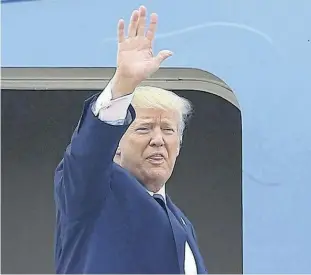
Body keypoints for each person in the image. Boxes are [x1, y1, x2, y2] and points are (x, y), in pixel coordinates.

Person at [54, 5, 207, 274]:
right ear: (115, 147)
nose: (158, 140)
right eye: (144, 128)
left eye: (168, 130)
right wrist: (123, 85)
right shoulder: (94, 192)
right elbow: (88, 155)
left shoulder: (181, 222)